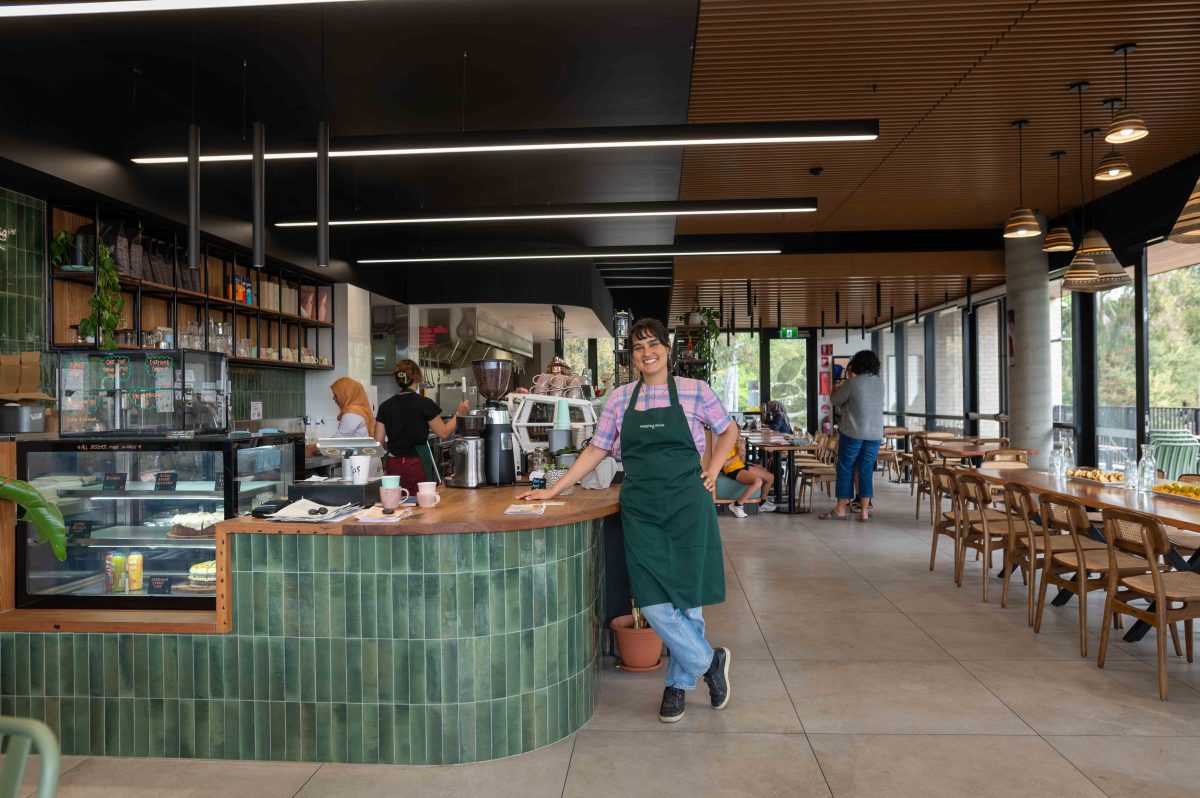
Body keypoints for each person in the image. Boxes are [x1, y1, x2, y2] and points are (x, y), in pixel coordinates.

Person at [518, 318, 739, 723]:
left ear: (667, 349)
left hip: (688, 505)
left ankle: (677, 686)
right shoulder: (620, 399)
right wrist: (553, 488)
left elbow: (728, 431)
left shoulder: (695, 391)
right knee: (654, 604)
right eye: (638, 347)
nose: (647, 352)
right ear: (632, 355)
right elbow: (596, 450)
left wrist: (715, 466)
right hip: (642, 510)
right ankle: (710, 662)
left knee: (688, 601)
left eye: (654, 344)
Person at [373, 360, 469, 494]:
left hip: (393, 463)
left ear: (397, 380)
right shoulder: (424, 403)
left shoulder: (385, 406)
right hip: (416, 463)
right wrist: (459, 413)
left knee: (395, 501)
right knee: (420, 502)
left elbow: (378, 440)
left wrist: (393, 447)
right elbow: (443, 432)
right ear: (417, 378)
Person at [821, 349, 885, 522]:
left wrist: (834, 389)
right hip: (875, 434)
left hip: (853, 432)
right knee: (865, 470)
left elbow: (835, 401)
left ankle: (841, 509)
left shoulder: (852, 383)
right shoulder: (880, 383)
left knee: (846, 468)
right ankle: (864, 511)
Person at [721, 438, 777, 516]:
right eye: (736, 436)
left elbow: (743, 461)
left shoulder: (736, 444)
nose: (737, 438)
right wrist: (738, 455)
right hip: (732, 470)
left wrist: (742, 449)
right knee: (758, 481)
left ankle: (761, 503)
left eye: (738, 435)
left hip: (742, 466)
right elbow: (724, 464)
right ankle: (737, 505)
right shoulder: (724, 445)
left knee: (770, 477)